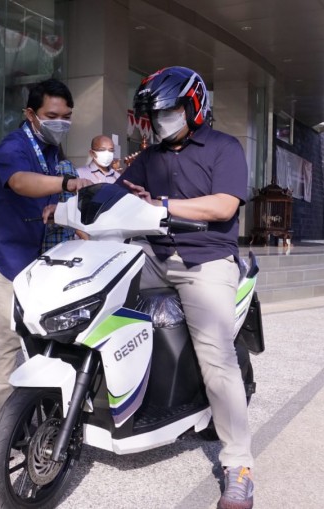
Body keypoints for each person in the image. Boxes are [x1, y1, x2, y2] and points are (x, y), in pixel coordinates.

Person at [116, 66, 254, 509]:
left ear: (193, 106)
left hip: (205, 259)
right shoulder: (147, 157)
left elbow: (223, 205)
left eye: (170, 111)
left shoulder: (223, 148)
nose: (162, 121)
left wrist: (161, 203)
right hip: (152, 256)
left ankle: (239, 465)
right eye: (156, 115)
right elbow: (117, 195)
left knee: (217, 357)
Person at [0, 78, 91, 411]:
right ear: (30, 114)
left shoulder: (51, 152)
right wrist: (66, 182)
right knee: (9, 335)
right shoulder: (14, 146)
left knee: (30, 330)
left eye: (66, 116)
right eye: (52, 115)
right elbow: (21, 183)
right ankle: (10, 425)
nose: (60, 123)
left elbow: (47, 202)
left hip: (34, 260)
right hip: (1, 257)